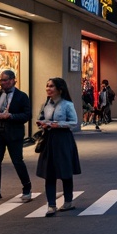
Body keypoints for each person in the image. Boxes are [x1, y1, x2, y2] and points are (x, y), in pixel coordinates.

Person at [35, 77, 81, 218]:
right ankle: (51, 205)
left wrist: (58, 124)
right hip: (49, 139)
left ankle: (68, 201)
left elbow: (73, 122)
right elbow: (41, 117)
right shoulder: (45, 104)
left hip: (63, 140)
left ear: (59, 89)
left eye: (51, 86)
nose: (48, 89)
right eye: (47, 86)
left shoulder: (67, 104)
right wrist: (42, 123)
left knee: (65, 171)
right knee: (49, 173)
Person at [0, 69, 33, 202]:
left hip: (14, 133)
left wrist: (10, 116)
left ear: (13, 80)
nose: (2, 83)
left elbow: (27, 115)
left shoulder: (21, 96)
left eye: (5, 80)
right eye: (0, 80)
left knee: (17, 161)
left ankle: (27, 188)